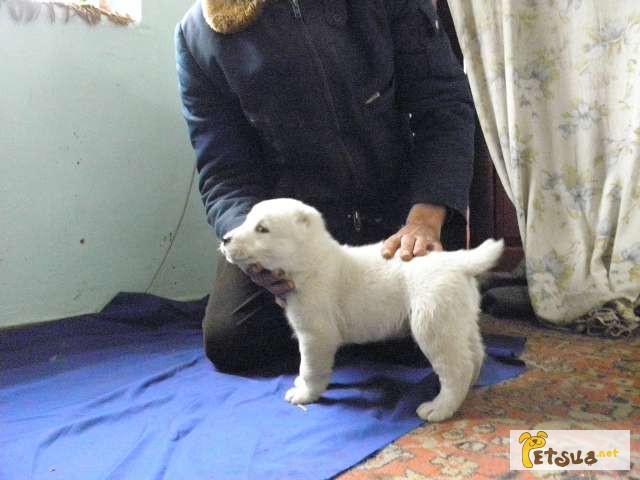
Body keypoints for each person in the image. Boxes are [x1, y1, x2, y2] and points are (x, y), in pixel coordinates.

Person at [175, 0, 475, 373]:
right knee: (234, 341)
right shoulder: (197, 36)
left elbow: (444, 107)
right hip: (298, 231)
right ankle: (348, 323)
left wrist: (425, 219)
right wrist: (253, 251)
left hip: (403, 212)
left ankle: (344, 324)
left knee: (426, 333)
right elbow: (224, 171)